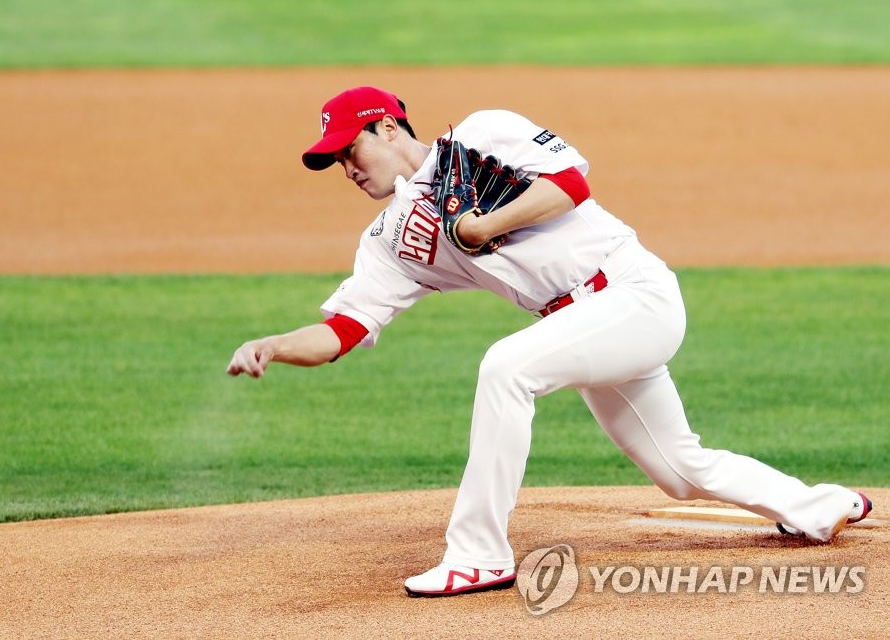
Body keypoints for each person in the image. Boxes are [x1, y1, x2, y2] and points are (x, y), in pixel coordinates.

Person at [226, 86, 873, 597]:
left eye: (348, 149)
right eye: (333, 158)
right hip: (581, 325)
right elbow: (345, 329)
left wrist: (485, 227)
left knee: (505, 366)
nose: (343, 166)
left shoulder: (482, 132)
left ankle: (478, 553)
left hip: (633, 292)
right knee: (679, 470)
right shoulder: (392, 237)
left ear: (387, 128)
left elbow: (570, 184)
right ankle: (815, 506)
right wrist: (275, 344)